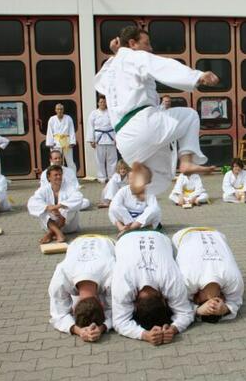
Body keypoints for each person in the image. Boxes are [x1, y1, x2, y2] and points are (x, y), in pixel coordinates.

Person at [94, 26, 219, 196]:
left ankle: (132, 196)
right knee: (189, 116)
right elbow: (163, 66)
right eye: (146, 43)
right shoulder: (135, 56)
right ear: (132, 43)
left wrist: (117, 53)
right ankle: (186, 161)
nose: (150, 48)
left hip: (124, 141)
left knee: (159, 177)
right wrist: (197, 76)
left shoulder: (111, 68)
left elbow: (99, 83)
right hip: (142, 124)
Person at [112, 230, 194, 345]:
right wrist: (172, 329)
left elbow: (120, 322)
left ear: (164, 300)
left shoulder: (170, 280)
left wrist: (145, 335)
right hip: (130, 236)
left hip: (156, 234)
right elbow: (185, 313)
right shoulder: (123, 284)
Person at [48, 235, 114, 342]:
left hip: (101, 241)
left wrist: (99, 328)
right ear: (73, 308)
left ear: (73, 308)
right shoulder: (61, 275)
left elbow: (58, 315)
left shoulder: (113, 272)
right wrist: (80, 330)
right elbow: (57, 316)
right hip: (83, 241)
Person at [172, 227, 244, 323]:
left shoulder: (187, 282)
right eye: (216, 306)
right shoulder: (233, 281)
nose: (212, 305)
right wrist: (225, 309)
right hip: (214, 234)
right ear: (223, 299)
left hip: (184, 235)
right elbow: (235, 301)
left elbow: (177, 303)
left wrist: (197, 310)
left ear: (197, 299)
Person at [28, 165, 84, 244]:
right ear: (49, 177)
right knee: (42, 210)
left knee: (69, 209)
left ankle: (50, 234)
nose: (59, 177)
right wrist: (48, 208)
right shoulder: (44, 189)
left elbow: (78, 197)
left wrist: (58, 206)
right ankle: (59, 233)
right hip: (51, 223)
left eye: (60, 174)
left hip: (69, 226)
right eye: (55, 175)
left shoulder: (69, 187)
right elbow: (32, 202)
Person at [109, 162, 161, 235]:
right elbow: (115, 205)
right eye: (131, 179)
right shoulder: (123, 190)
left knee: (155, 209)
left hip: (142, 219)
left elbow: (153, 207)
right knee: (113, 207)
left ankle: (129, 229)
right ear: (128, 180)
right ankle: (122, 228)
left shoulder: (148, 191)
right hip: (127, 218)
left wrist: (135, 224)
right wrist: (124, 222)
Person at [86, 95, 117, 184]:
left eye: (104, 102)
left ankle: (112, 177)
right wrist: (91, 140)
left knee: (112, 159)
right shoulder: (94, 113)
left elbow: (115, 125)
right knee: (99, 160)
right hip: (99, 139)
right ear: (98, 103)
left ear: (106, 103)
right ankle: (102, 177)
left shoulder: (111, 112)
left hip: (111, 138)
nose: (103, 103)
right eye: (101, 102)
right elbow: (90, 127)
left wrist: (117, 138)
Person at [46, 103, 77, 170]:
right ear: (55, 110)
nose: (59, 111)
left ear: (63, 110)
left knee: (70, 161)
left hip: (66, 142)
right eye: (58, 109)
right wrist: (50, 143)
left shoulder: (68, 118)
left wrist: (72, 142)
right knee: (54, 160)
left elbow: (71, 130)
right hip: (56, 142)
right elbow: (49, 131)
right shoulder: (52, 119)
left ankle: (73, 175)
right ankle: (54, 174)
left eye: (61, 109)